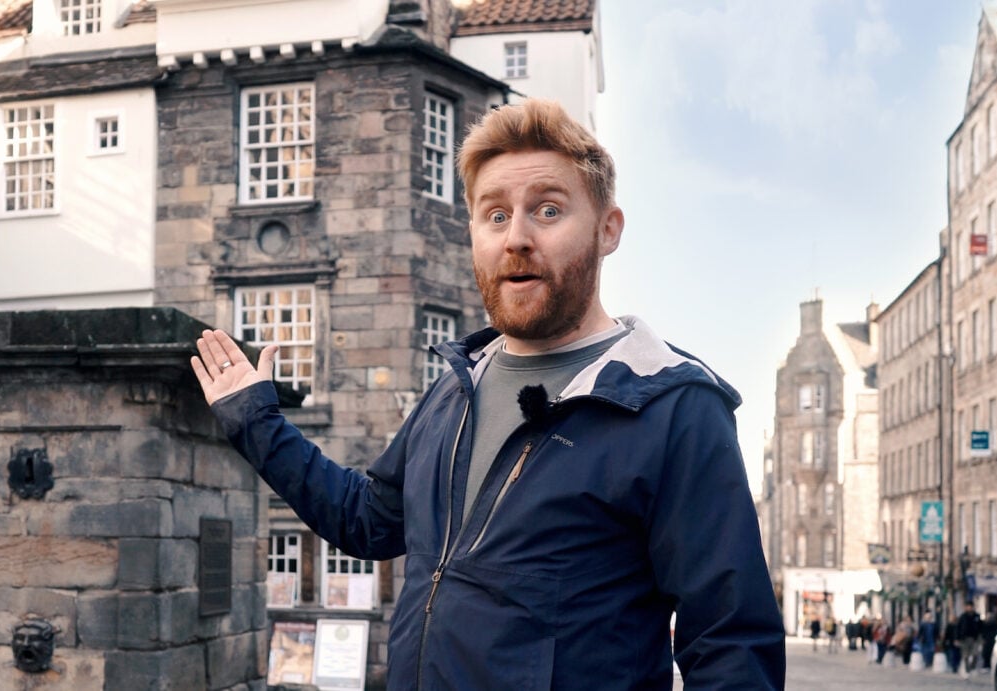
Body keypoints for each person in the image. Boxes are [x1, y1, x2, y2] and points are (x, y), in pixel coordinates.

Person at [190, 98, 786, 689]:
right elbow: (369, 521)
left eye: (548, 210)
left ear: (608, 230)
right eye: (495, 215)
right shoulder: (457, 387)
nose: (517, 237)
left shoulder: (673, 406)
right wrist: (257, 423)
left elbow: (732, 648)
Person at [957, 601, 984, 677]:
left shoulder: (977, 616)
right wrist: (957, 638)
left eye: (970, 606)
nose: (969, 608)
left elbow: (981, 627)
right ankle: (967, 668)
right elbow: (958, 627)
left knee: (975, 653)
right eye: (968, 606)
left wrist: (982, 637)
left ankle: (972, 667)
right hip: (964, 638)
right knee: (965, 655)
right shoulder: (963, 616)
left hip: (975, 638)